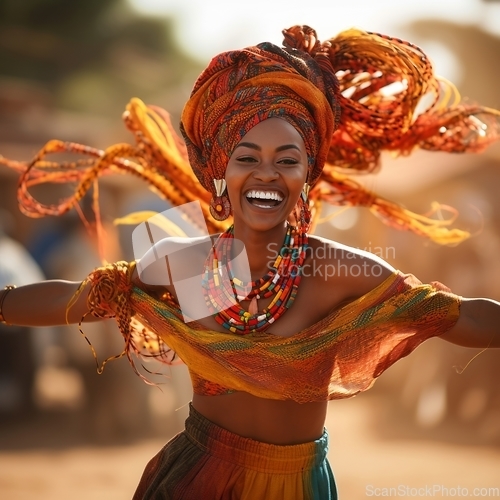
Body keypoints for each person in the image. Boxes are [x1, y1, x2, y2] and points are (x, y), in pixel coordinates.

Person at [1, 25, 500, 499]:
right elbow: (80, 298)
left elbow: (459, 315)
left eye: (287, 160)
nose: (267, 174)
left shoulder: (341, 272)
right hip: (195, 479)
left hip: (298, 486)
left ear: (308, 175)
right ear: (221, 173)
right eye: (246, 158)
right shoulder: (184, 265)